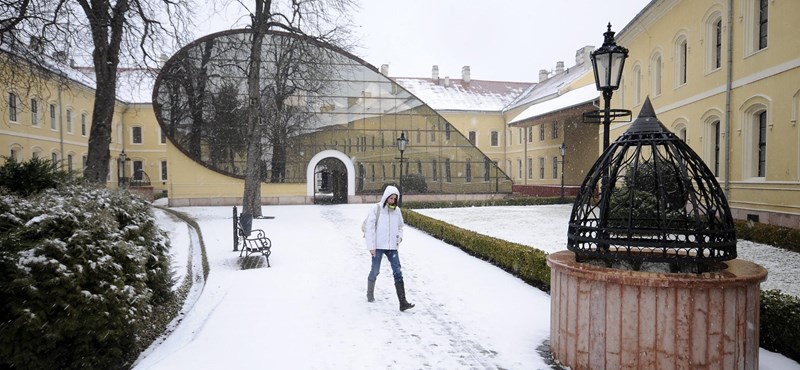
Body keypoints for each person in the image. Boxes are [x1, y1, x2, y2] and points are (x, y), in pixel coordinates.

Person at [364, 185, 414, 311]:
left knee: (398, 272)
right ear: (386, 197)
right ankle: (370, 294)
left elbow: (401, 226)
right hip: (378, 247)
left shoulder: (397, 211)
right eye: (390, 198)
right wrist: (371, 247)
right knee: (375, 271)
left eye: (394, 199)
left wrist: (399, 238)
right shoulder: (376, 209)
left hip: (392, 248)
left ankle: (403, 302)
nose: (392, 201)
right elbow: (369, 228)